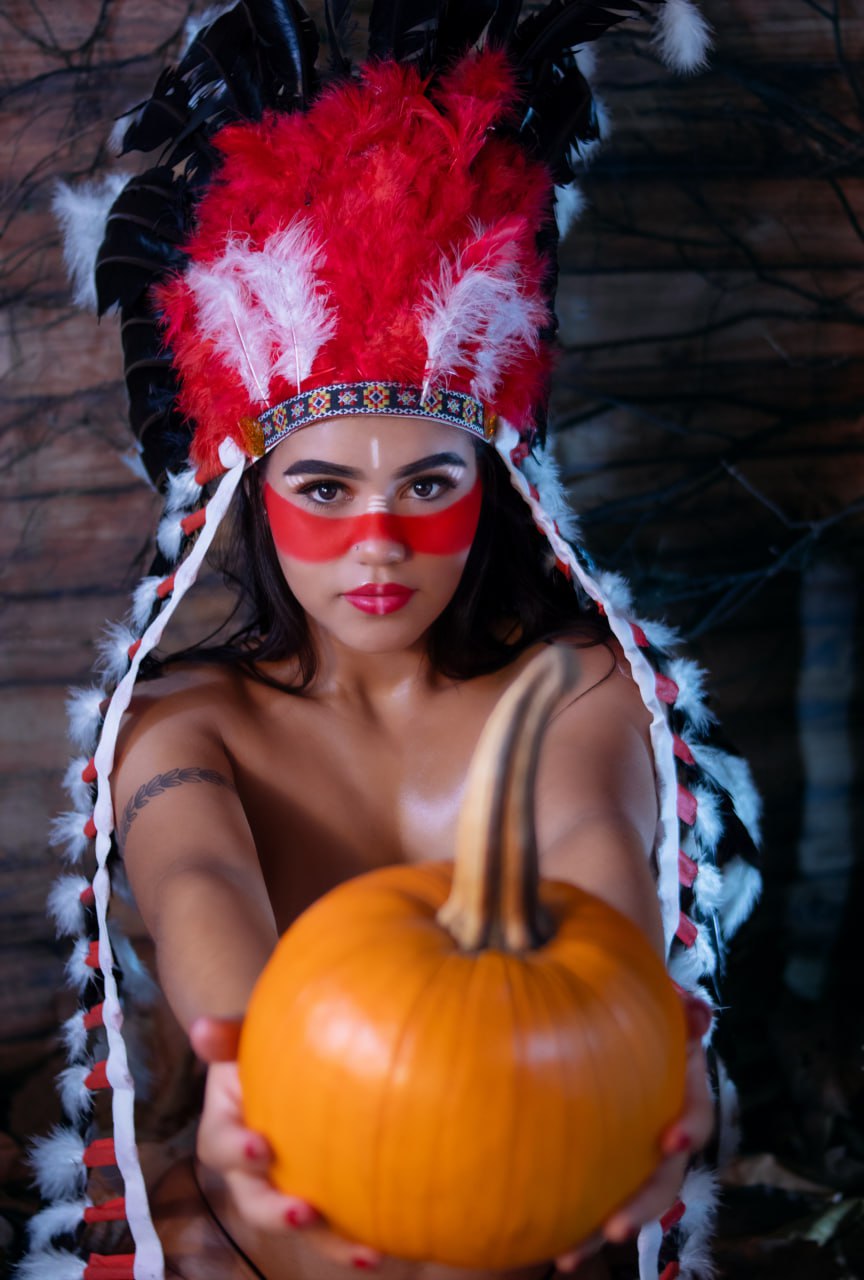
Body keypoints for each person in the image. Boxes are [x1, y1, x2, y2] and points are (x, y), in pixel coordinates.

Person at [27, 6, 760, 1280]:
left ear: (498, 489)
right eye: (324, 489)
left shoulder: (572, 690)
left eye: (428, 483)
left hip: (533, 1165)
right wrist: (249, 1075)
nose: (379, 543)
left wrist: (640, 1042)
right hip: (285, 1184)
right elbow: (203, 894)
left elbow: (594, 864)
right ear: (255, 499)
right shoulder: (187, 726)